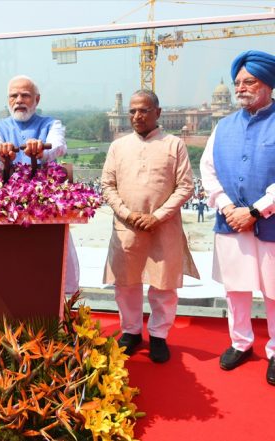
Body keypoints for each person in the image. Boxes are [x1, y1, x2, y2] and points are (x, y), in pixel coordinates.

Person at [101, 90, 198, 363]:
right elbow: (107, 185)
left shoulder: (174, 144)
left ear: (158, 112)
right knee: (126, 283)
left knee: (163, 285)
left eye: (143, 110)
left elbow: (185, 186)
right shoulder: (118, 146)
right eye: (132, 111)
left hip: (163, 226)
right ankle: (131, 331)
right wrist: (126, 213)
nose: (136, 116)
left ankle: (158, 335)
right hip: (127, 226)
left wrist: (158, 216)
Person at [199, 50, 275, 385]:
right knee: (236, 289)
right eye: (238, 83)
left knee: (274, 292)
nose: (241, 88)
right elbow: (207, 170)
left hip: (270, 223)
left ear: (268, 84)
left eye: (249, 82)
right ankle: (241, 342)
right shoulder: (224, 126)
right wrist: (229, 208)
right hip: (231, 222)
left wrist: (257, 211)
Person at [0, 75, 80, 295]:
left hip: (45, 204)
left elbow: (58, 146)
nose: (19, 100)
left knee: (59, 260)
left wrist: (41, 150)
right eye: (14, 96)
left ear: (36, 99)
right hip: (9, 206)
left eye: (25, 95)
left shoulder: (51, 124)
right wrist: (1, 152)